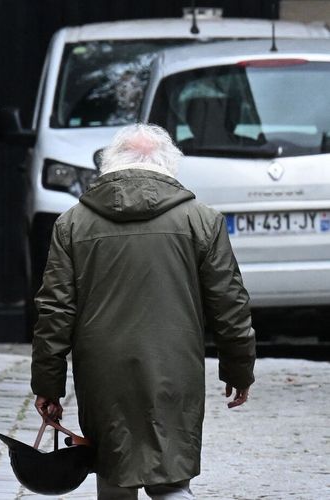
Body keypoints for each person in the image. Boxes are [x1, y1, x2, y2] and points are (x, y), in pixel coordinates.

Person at [31, 123, 256, 500]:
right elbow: (229, 302)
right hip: (174, 368)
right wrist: (239, 368)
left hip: (103, 371)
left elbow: (54, 311)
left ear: (110, 164)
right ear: (169, 164)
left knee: (114, 472)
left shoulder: (72, 224)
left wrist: (48, 385)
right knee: (170, 475)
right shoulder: (201, 220)